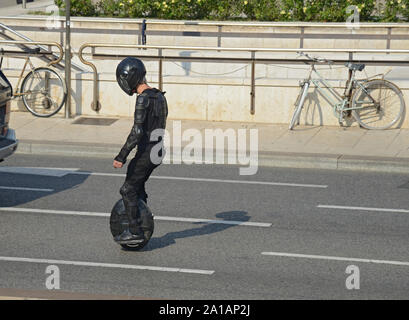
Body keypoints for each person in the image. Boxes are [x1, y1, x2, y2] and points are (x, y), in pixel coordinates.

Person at [113, 57, 168, 244]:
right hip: (158, 151)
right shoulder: (160, 95)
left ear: (130, 77)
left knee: (127, 190)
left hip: (147, 152)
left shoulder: (143, 99)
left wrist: (121, 156)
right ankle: (143, 219)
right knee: (137, 186)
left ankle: (135, 230)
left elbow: (137, 132)